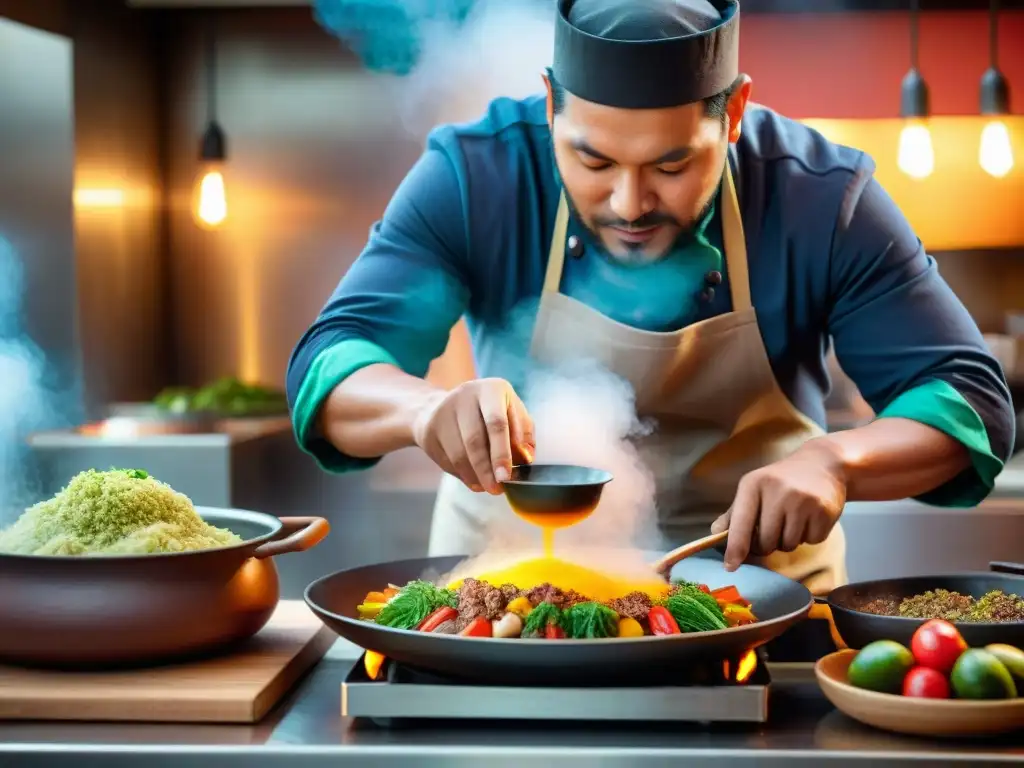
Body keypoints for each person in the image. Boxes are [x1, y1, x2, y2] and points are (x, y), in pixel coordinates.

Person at [286, 0, 1015, 593]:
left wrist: (837, 463)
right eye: (592, 159)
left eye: (673, 164)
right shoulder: (477, 176)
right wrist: (422, 411)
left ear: (732, 115)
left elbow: (967, 403)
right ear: (550, 107)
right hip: (508, 604)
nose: (630, 203)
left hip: (758, 602)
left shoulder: (819, 197)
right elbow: (331, 367)